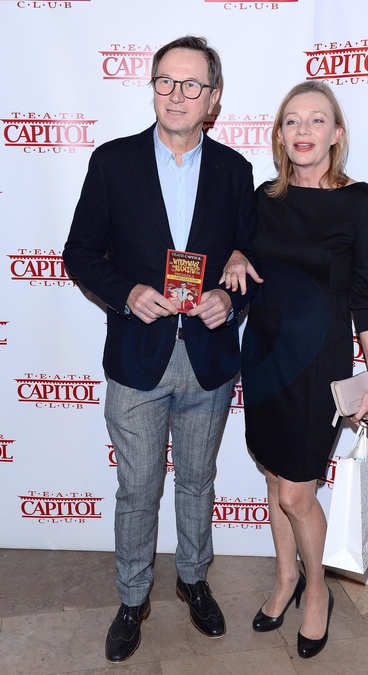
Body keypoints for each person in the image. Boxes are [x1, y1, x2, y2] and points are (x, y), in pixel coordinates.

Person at [63, 35, 258, 663]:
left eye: (191, 84)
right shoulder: (112, 162)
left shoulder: (235, 172)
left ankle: (193, 581)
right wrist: (127, 293)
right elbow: (79, 252)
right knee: (138, 489)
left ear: (213, 99)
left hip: (208, 360)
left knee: (198, 482)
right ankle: (131, 599)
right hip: (136, 357)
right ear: (152, 88)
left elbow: (251, 263)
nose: (176, 95)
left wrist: (230, 300)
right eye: (165, 82)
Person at [222, 80, 368, 659]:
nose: (303, 130)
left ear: (336, 134)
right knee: (274, 478)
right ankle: (285, 577)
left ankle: (317, 589)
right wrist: (236, 254)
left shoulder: (361, 202)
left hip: (319, 365)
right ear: (279, 133)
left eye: (317, 120)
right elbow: (241, 256)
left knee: (297, 492)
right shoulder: (263, 199)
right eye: (292, 120)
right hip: (264, 357)